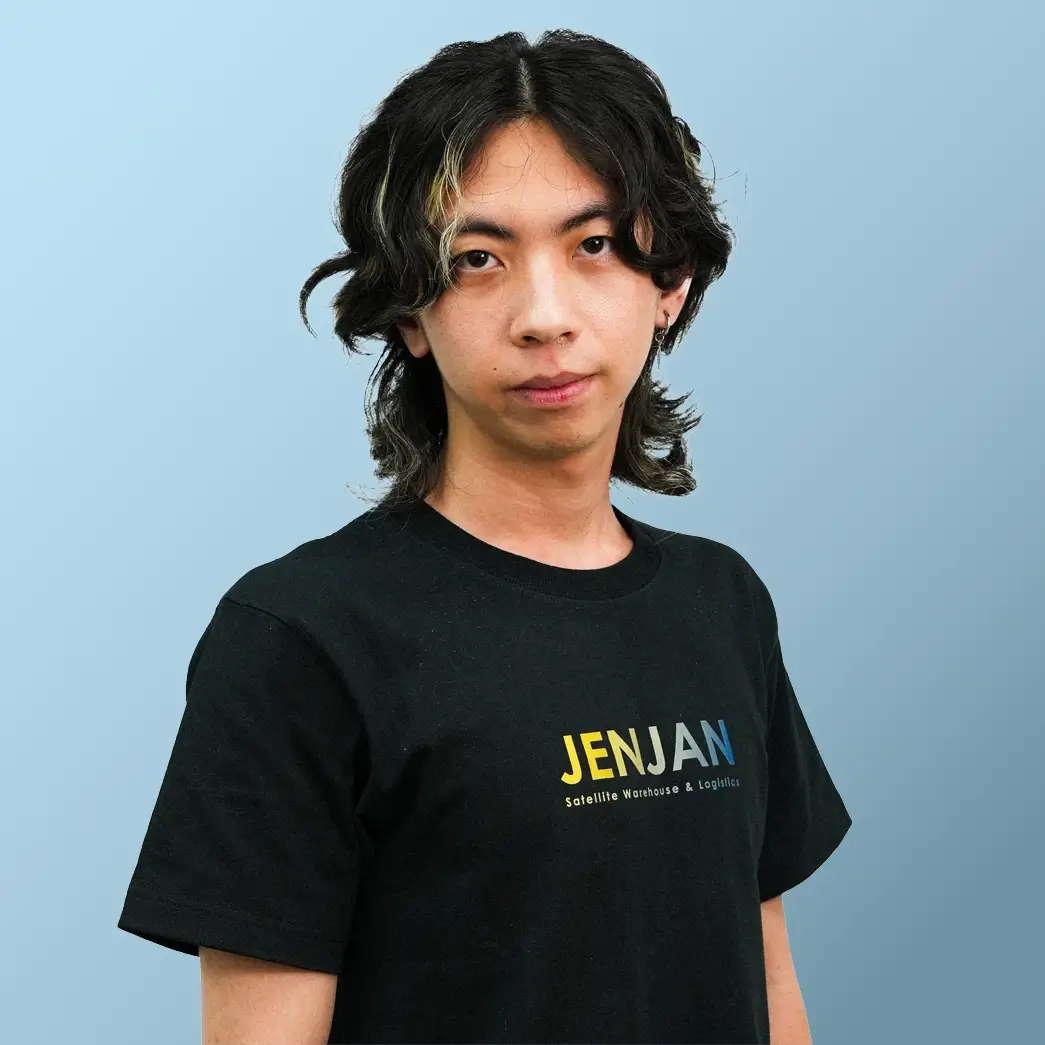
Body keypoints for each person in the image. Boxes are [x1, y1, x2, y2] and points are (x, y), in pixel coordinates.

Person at [117, 28, 851, 1045]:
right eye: (477, 260)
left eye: (595, 245)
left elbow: (767, 983)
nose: (543, 316)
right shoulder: (300, 638)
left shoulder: (721, 602)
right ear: (408, 314)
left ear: (669, 281)